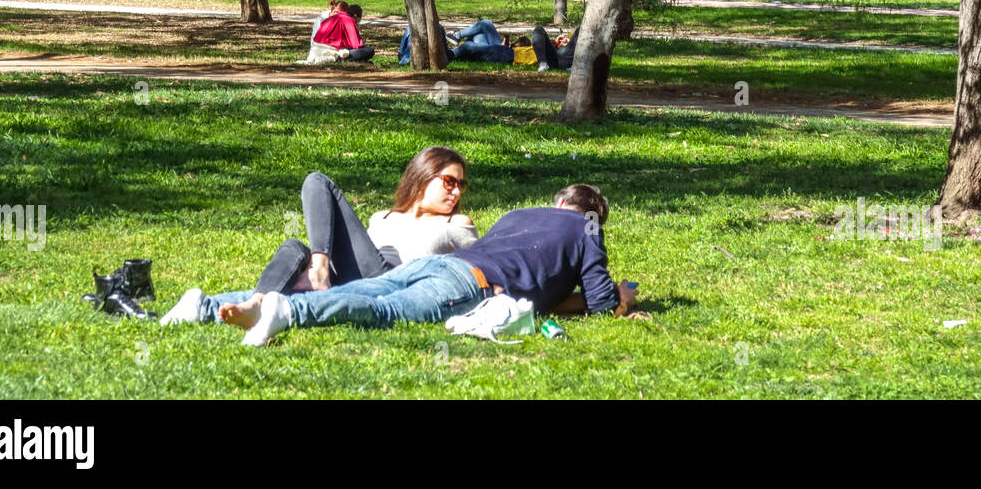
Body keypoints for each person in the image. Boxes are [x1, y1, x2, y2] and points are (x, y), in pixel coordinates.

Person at [182, 184, 638, 346]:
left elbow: (530, 275)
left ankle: (203, 307)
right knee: (380, 313)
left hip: (438, 268)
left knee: (357, 294)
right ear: (591, 214)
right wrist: (626, 298)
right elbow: (600, 302)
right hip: (467, 286)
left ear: (558, 201)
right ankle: (285, 313)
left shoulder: (518, 215)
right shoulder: (587, 229)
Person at [161, 147, 478, 328]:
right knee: (295, 244)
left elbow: (477, 271)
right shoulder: (381, 217)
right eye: (449, 181)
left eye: (460, 186)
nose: (455, 191)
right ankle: (243, 304)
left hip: (390, 280)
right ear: (422, 177)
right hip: (350, 280)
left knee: (320, 182)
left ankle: (318, 271)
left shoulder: (457, 222)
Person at [308, 2, 374, 63]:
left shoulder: (332, 17)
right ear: (355, 16)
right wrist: (362, 40)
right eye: (358, 21)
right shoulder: (349, 20)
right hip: (330, 51)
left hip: (315, 49)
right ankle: (337, 59)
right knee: (369, 50)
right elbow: (356, 45)